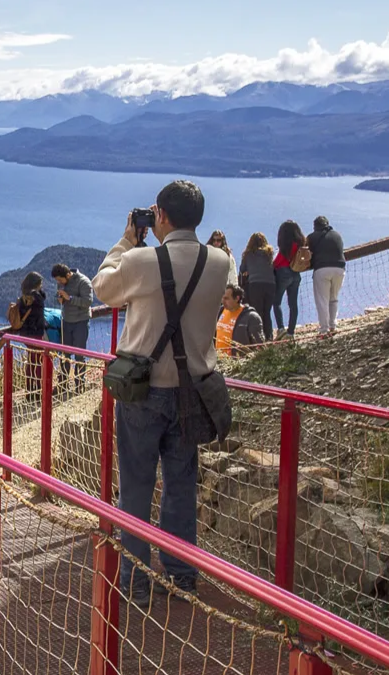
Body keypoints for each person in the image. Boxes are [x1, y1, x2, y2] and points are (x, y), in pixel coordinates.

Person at [92, 180, 229, 602]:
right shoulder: (220, 261)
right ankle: (181, 574)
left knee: (135, 485)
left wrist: (127, 239)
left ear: (161, 217)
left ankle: (136, 581)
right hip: (194, 391)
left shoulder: (142, 260)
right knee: (181, 483)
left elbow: (103, 287)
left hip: (143, 391)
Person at [52, 263, 94, 391]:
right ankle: (63, 384)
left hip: (80, 321)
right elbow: (61, 297)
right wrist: (61, 299)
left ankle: (79, 385)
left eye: (60, 279)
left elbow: (88, 302)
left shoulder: (84, 282)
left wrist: (69, 298)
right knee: (65, 354)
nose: (59, 282)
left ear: (68, 275)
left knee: (79, 354)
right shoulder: (62, 283)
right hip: (66, 321)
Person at [307, 216, 346, 336]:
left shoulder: (312, 237)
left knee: (322, 300)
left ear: (315, 226)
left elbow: (307, 253)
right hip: (339, 268)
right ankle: (333, 325)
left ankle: (324, 329)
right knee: (333, 298)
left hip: (322, 269)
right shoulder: (337, 235)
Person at [13, 272, 48, 395]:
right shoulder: (37, 297)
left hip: (25, 334)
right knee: (38, 361)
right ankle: (38, 389)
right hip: (36, 333)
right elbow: (42, 300)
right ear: (36, 284)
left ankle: (29, 389)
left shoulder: (23, 297)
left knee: (31, 360)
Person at [239, 233, 276, 342]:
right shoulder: (269, 253)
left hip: (255, 284)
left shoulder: (248, 254)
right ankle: (269, 337)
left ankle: (259, 339)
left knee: (258, 312)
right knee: (267, 312)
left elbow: (242, 269)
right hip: (270, 284)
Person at [273, 220, 306, 339]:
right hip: (296, 274)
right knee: (293, 304)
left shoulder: (286, 245)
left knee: (276, 302)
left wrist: (272, 266)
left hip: (283, 273)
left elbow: (278, 261)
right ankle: (291, 332)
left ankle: (281, 329)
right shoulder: (299, 244)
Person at [215, 285, 264, 357]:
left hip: (237, 363)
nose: (223, 301)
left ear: (237, 298)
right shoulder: (220, 311)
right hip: (218, 360)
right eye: (222, 298)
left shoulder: (251, 317)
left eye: (226, 298)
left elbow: (259, 345)